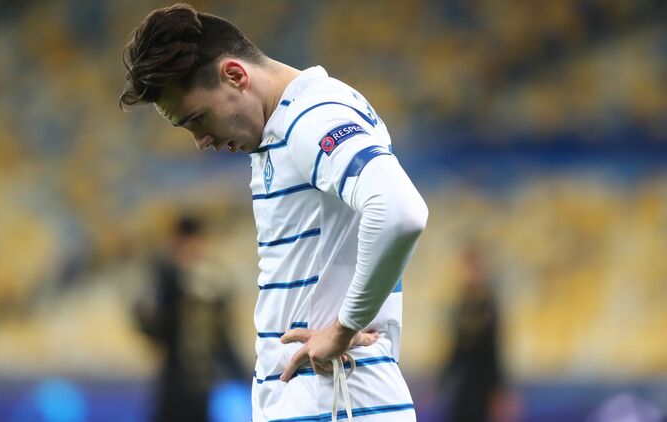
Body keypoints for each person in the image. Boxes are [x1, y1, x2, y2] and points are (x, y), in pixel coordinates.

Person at [120, 4, 429, 421]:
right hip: (319, 401)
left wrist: (344, 327)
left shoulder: (314, 116)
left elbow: (400, 210)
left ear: (235, 75)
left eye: (198, 119)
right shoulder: (280, 127)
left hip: (337, 400)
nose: (201, 141)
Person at [134, 216, 244, 422]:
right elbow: (151, 327)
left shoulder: (213, 282)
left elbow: (223, 337)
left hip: (205, 382)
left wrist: (239, 374)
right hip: (173, 379)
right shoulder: (166, 277)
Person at [438, 246, 506, 422]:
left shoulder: (488, 305)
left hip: (481, 384)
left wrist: (499, 390)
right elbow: (456, 349)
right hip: (461, 384)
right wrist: (442, 380)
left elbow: (494, 350)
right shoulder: (461, 304)